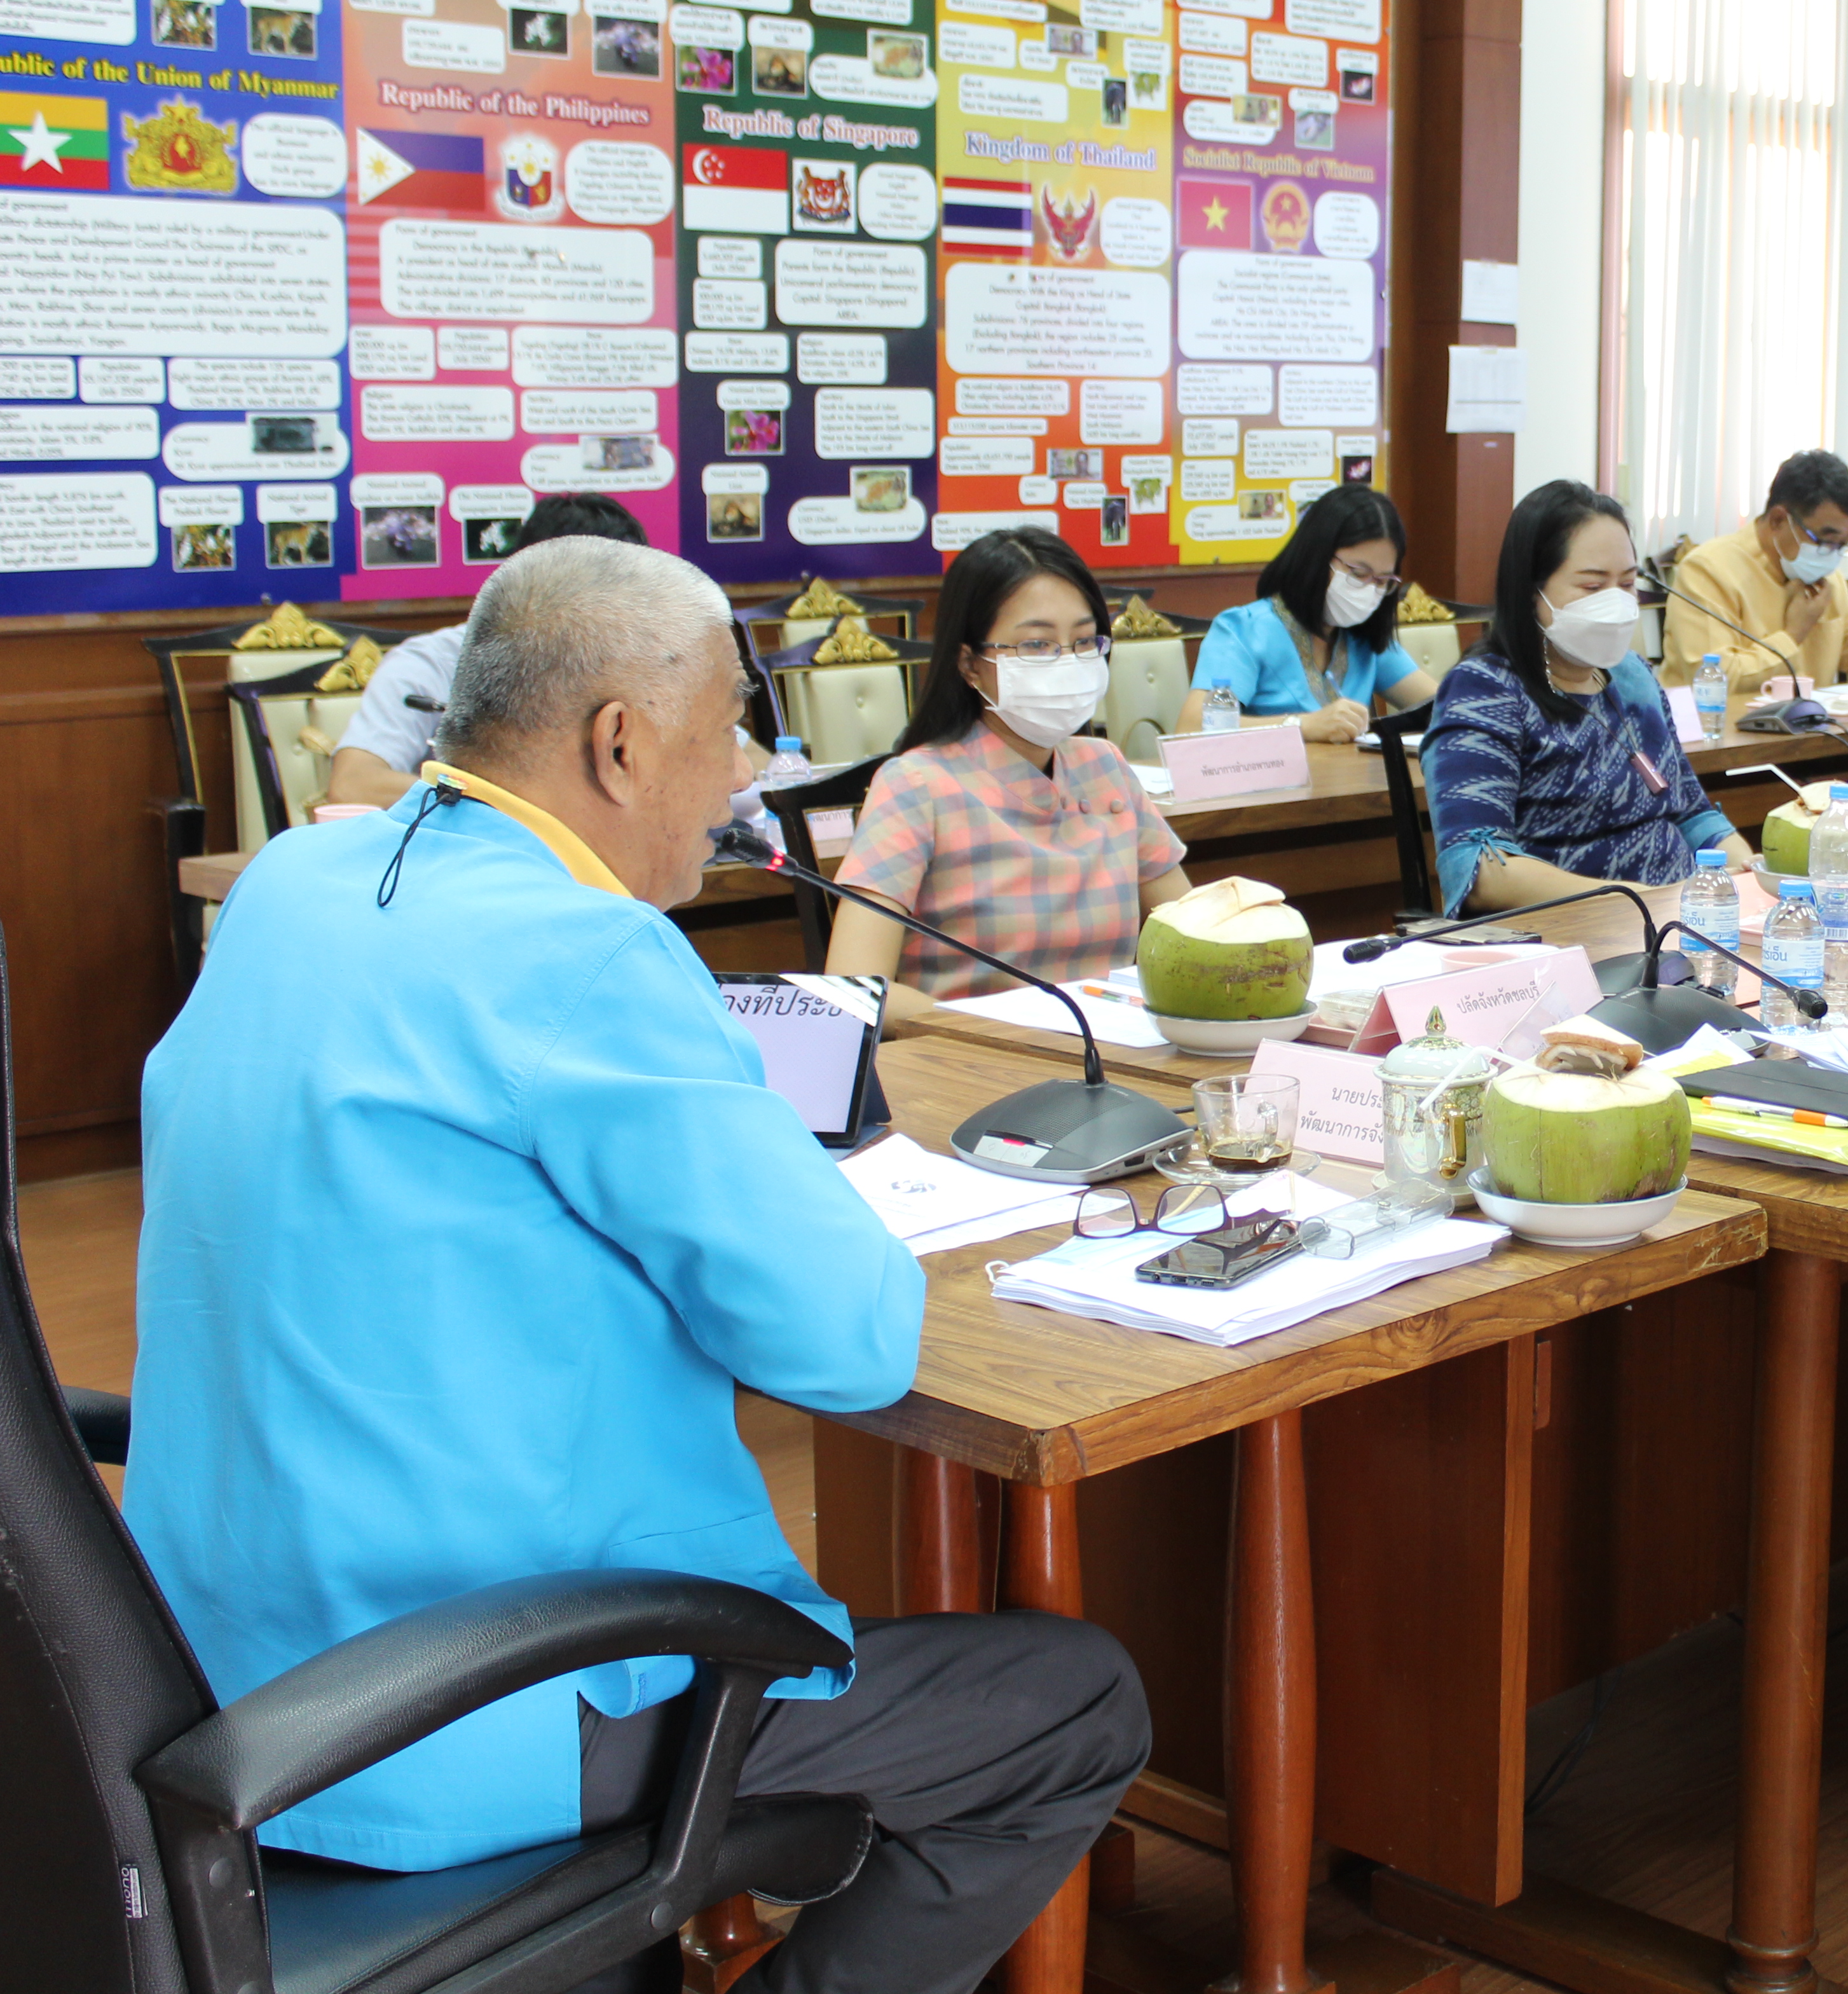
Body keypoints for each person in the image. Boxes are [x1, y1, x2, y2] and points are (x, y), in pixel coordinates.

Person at [126, 537, 1148, 1994]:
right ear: (618, 740)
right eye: (729, 724)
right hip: (476, 1701)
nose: (744, 770)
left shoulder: (294, 880)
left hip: (213, 1674)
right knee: (1068, 1704)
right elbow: (846, 1343)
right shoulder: (594, 954)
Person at [830, 528, 1191, 1025]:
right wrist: (1007, 1033)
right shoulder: (917, 785)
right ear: (969, 664)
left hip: (1110, 1059)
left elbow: (1196, 929)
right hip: (972, 1066)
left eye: (1085, 641)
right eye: (1037, 644)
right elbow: (854, 990)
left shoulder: (1104, 765)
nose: (1066, 662)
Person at [1429, 480, 1751, 912]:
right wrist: (1634, 899)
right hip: (1570, 935)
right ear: (1530, 591)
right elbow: (1480, 867)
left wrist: (1748, 876)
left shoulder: (1632, 677)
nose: (1616, 604)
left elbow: (1692, 814)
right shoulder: (1485, 689)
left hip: (1675, 920)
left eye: (1627, 584)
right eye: (1592, 587)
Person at [324, 493, 655, 808]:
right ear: (528, 583)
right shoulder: (431, 664)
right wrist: (494, 802)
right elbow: (354, 785)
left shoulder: (644, 666)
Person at [1189, 484, 1441, 743]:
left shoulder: (1364, 639)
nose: (1369, 590)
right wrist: (1301, 726)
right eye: (1358, 574)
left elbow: (1445, 706)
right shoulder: (1245, 630)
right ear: (1317, 557)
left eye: (1382, 581)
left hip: (1352, 781)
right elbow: (1192, 727)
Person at [1653, 448, 1848, 692]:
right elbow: (1715, 680)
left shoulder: (1826, 579)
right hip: (1715, 726)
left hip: (1810, 727)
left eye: (1843, 544)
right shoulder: (1708, 570)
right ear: (1778, 521)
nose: (1832, 554)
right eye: (1826, 540)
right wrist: (1794, 635)